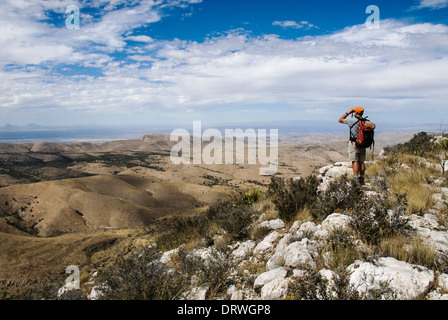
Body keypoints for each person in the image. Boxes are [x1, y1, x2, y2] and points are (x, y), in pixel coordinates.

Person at [338, 107, 375, 185]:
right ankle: (361, 178)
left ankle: (355, 178)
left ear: (355, 113)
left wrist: (348, 112)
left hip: (354, 143)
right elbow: (373, 126)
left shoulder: (352, 120)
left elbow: (340, 120)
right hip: (363, 143)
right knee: (361, 161)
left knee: (355, 161)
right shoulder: (365, 121)